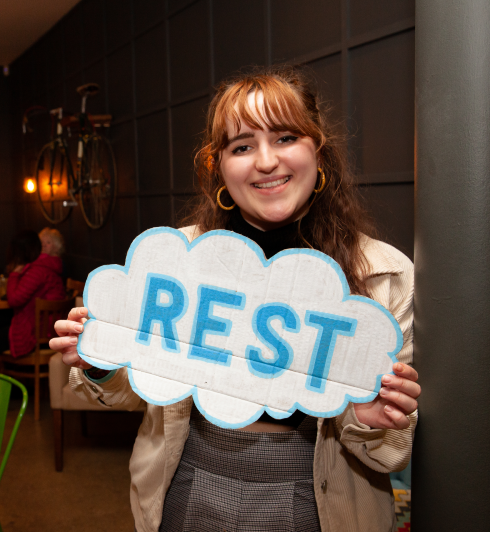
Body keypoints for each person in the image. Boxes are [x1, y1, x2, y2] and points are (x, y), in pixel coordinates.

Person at [50, 66, 420, 532]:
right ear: (219, 166)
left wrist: (369, 418)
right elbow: (131, 393)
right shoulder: (173, 262)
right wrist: (100, 361)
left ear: (319, 150)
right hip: (189, 486)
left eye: (286, 137)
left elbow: (389, 454)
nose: (266, 162)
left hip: (322, 501)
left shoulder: (385, 277)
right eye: (242, 146)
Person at [0, 230, 66, 375]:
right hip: (42, 324)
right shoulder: (47, 266)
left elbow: (14, 300)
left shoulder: (38, 270)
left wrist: (15, 273)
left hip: (39, 331)